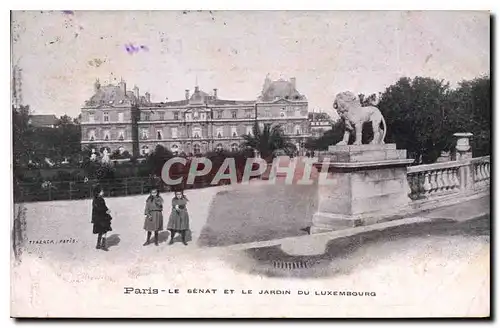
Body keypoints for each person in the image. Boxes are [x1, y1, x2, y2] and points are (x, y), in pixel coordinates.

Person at [91, 185, 112, 251]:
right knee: (104, 231)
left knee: (100, 231)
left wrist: (106, 210)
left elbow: (98, 208)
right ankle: (102, 245)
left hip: (97, 218)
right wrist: (107, 211)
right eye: (102, 191)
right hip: (102, 218)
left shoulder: (95, 200)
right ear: (98, 192)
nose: (103, 192)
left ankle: (98, 244)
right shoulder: (100, 199)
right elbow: (102, 208)